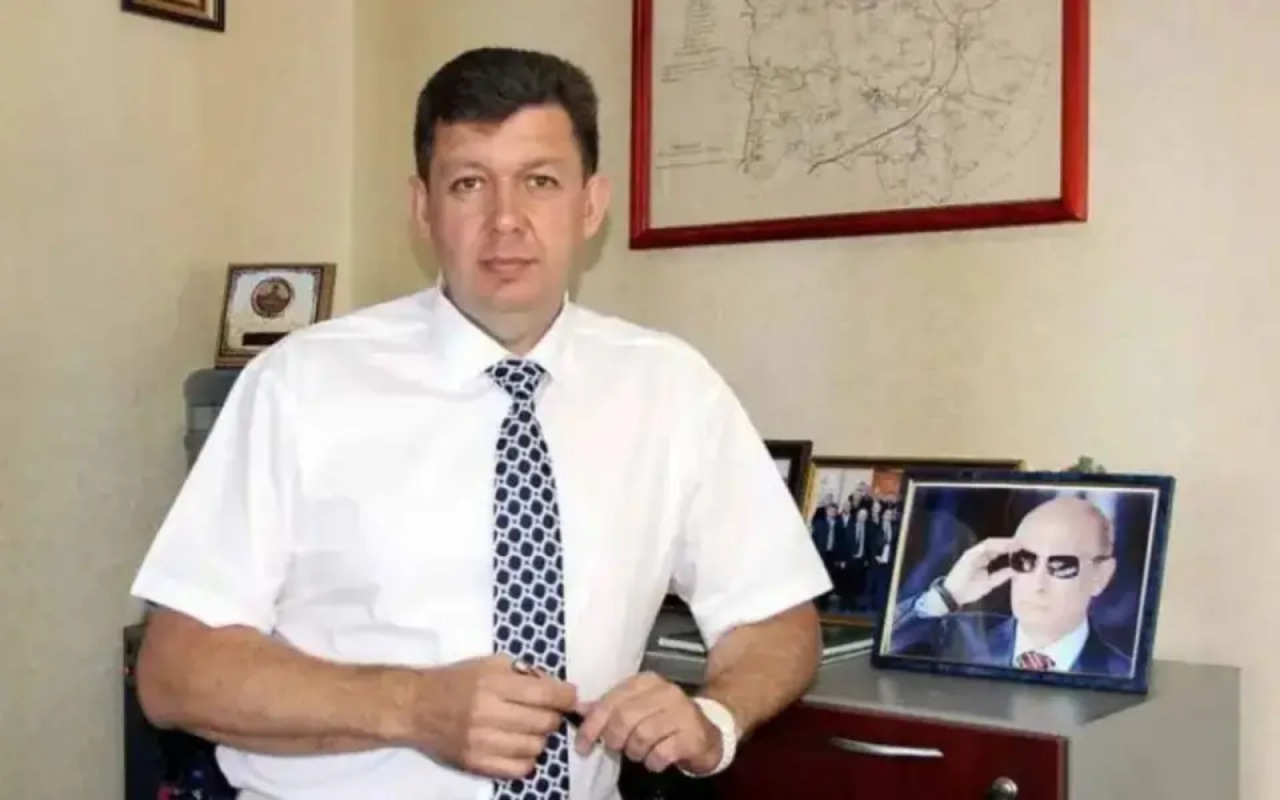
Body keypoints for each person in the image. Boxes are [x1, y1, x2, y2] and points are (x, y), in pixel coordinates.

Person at [129, 46, 831, 800]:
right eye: (469, 184)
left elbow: (776, 618)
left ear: (591, 205)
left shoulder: (672, 388)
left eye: (540, 181)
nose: (506, 222)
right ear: (423, 207)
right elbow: (175, 672)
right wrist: (412, 707)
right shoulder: (297, 385)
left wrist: (715, 718)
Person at [888, 494, 1131, 675]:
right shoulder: (958, 636)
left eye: (1062, 566)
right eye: (1025, 560)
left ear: (1101, 576)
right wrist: (948, 594)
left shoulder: (1122, 673)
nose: (1038, 583)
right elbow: (884, 649)